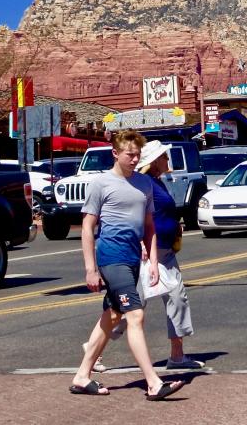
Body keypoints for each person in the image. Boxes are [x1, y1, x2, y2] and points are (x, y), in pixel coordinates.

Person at [70, 130, 185, 400]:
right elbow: (87, 227)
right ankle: (154, 383)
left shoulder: (144, 184)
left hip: (134, 258)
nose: (134, 160)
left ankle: (82, 376)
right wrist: (90, 268)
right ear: (115, 153)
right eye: (129, 155)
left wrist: (154, 262)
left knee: (112, 316)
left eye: (137, 155)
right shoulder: (101, 184)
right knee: (135, 315)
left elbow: (149, 227)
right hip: (111, 257)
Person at [85, 140, 204, 372]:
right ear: (154, 160)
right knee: (127, 309)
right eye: (164, 157)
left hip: (165, 253)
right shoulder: (141, 183)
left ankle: (177, 355)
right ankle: (94, 352)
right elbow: (137, 218)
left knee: (174, 300)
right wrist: (142, 245)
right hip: (146, 255)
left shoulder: (154, 183)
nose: (167, 161)